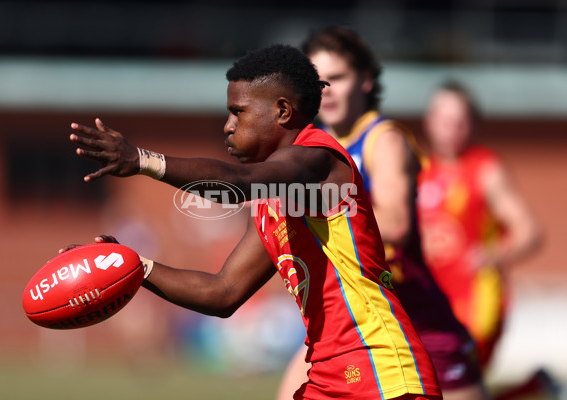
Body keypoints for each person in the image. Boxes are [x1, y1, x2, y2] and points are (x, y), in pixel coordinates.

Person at [65, 44, 441, 400]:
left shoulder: (318, 158)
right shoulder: (270, 202)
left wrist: (144, 161)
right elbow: (223, 292)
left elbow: (238, 183)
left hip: (381, 370)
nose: (228, 126)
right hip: (328, 378)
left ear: (282, 111)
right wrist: (133, 266)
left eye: (238, 112)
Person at [276, 27, 488, 400]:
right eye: (316, 80)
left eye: (337, 78)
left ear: (366, 80)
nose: (326, 89)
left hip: (417, 322)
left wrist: (309, 206)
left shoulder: (382, 140)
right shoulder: (309, 147)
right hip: (353, 323)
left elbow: (396, 224)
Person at [419, 81, 550, 399]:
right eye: (445, 119)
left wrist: (493, 254)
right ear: (429, 122)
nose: (453, 128)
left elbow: (530, 231)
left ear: (473, 124)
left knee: (449, 390)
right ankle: (533, 388)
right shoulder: (419, 171)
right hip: (431, 303)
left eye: (461, 120)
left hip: (477, 305)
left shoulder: (484, 169)